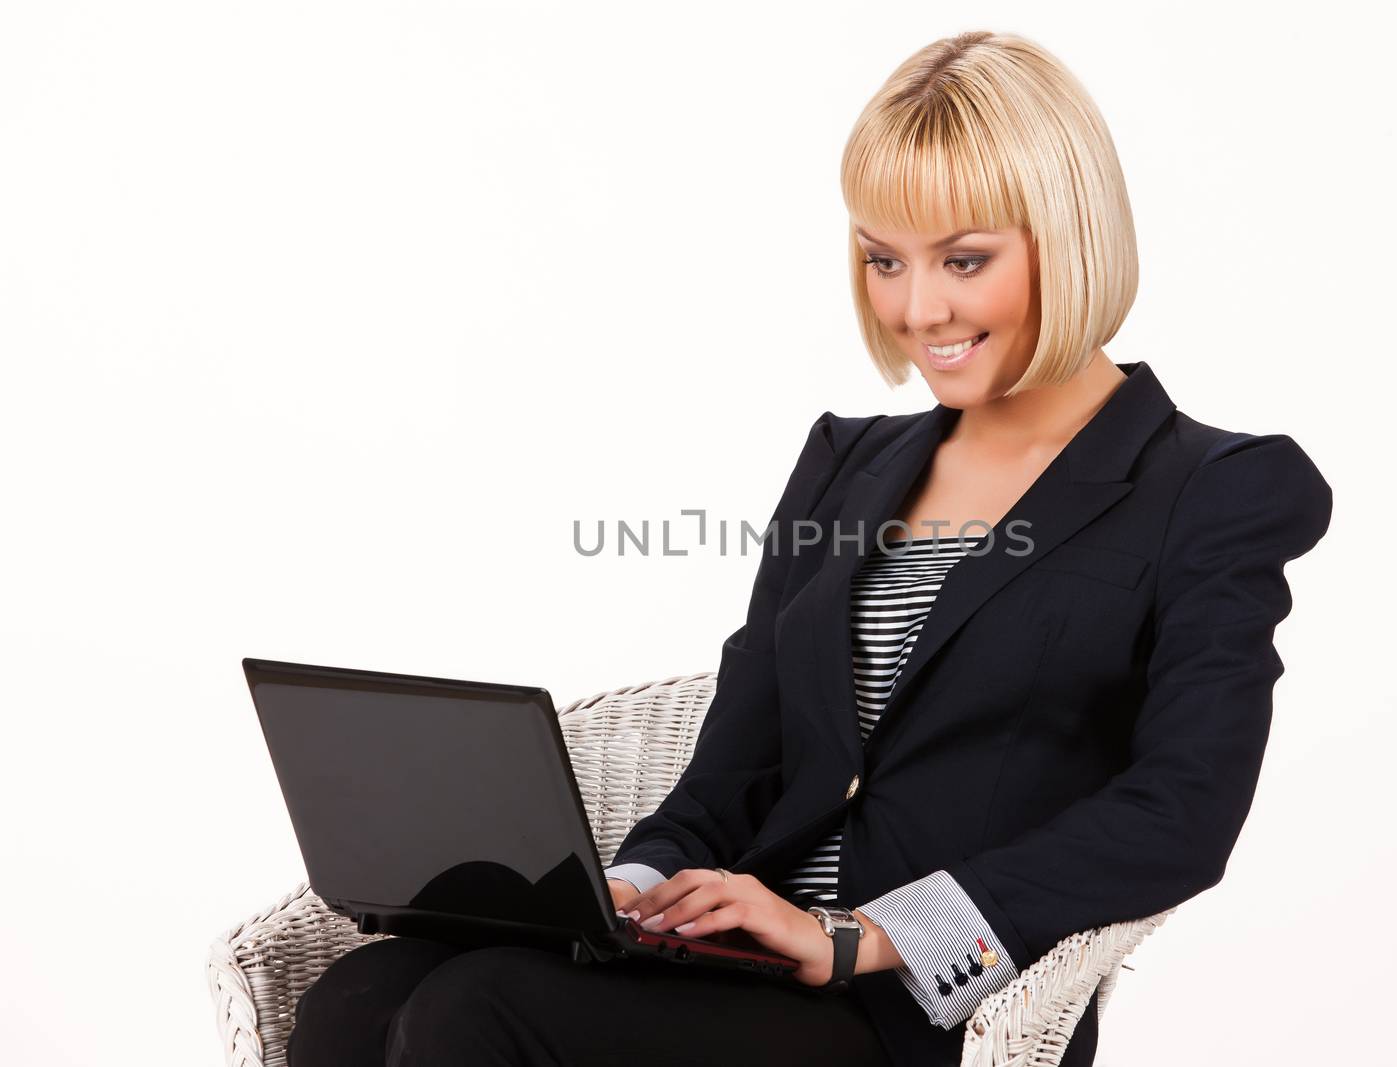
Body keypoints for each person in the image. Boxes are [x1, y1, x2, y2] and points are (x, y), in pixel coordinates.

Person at [285, 29, 1334, 1067]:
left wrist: (858, 937)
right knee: (362, 989)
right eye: (885, 259)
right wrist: (634, 888)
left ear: (1068, 239)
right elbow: (735, 767)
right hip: (737, 962)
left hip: (910, 1014)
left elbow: (1182, 810)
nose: (918, 309)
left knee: (481, 1010)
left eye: (964, 259)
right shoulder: (847, 463)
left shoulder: (1212, 487)